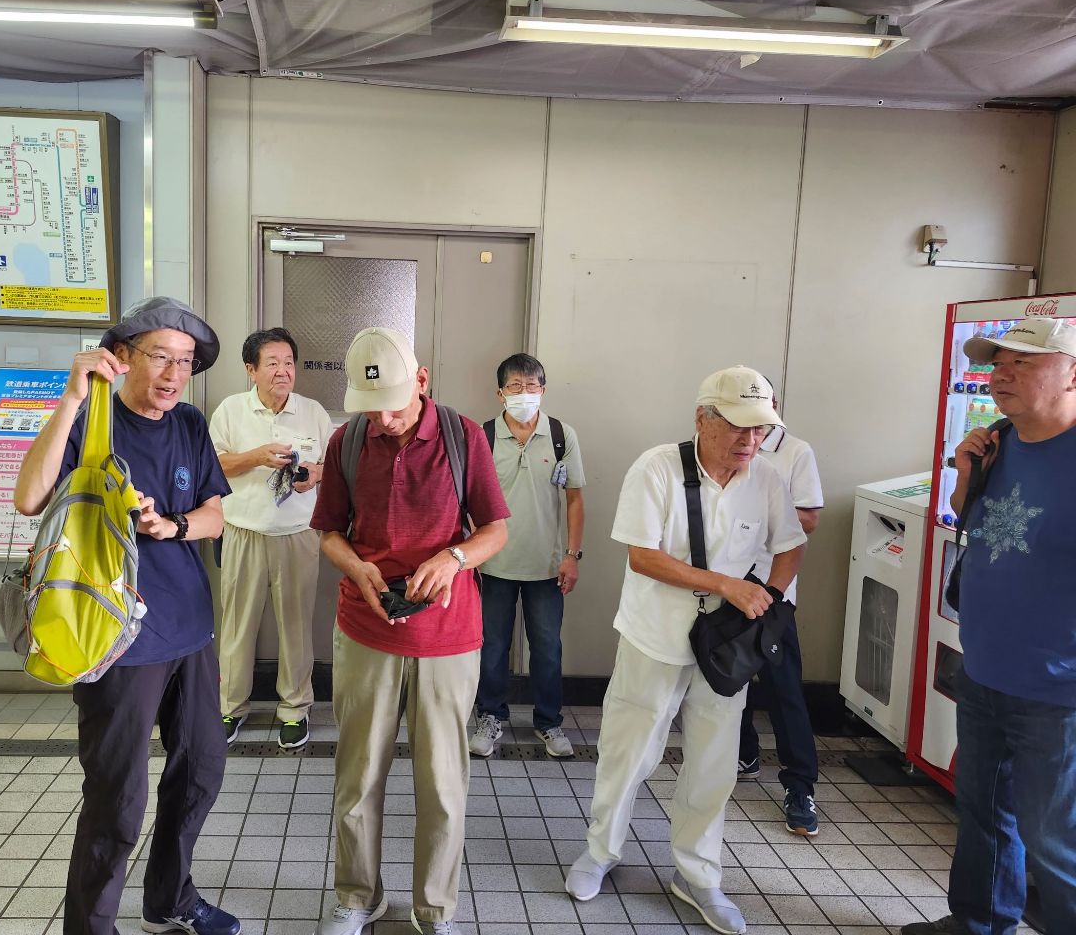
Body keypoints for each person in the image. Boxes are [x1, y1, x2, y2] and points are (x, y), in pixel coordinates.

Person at [14, 297, 238, 935]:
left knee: (200, 770)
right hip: (113, 638)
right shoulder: (92, 418)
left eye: (186, 362)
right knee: (118, 795)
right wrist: (71, 397)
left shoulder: (189, 424)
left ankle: (169, 899)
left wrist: (173, 526)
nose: (174, 374)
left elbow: (216, 515)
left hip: (189, 629)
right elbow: (29, 497)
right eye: (161, 357)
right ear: (122, 356)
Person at [565, 365, 806, 935]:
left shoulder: (767, 477)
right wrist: (728, 586)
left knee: (715, 762)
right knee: (628, 752)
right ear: (703, 418)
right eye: (739, 426)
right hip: (654, 636)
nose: (751, 440)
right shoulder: (656, 468)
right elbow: (642, 555)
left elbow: (790, 545)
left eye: (760, 429)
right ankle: (600, 852)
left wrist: (768, 600)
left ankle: (698, 874)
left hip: (726, 651)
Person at [310, 327, 509, 935]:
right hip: (365, 628)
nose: (385, 419)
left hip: (448, 636)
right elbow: (329, 532)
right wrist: (357, 567)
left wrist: (454, 558)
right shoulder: (348, 441)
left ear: (422, 381)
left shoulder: (463, 436)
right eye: (372, 408)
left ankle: (435, 909)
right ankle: (356, 897)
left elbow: (495, 529)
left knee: (443, 783)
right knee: (357, 776)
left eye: (394, 405)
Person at [901, 317, 1076, 935]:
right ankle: (977, 924)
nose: (1002, 373)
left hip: (1058, 690)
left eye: (1023, 362)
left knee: (1055, 839)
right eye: (998, 362)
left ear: (1073, 375)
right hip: (984, 667)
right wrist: (964, 477)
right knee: (983, 813)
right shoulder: (997, 440)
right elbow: (974, 521)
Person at [209, 327, 332, 749]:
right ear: (251, 370)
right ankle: (230, 706)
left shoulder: (313, 411)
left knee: (297, 626)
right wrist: (257, 456)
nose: (283, 371)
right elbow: (214, 465)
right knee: (236, 625)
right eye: (273, 363)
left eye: (289, 362)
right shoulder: (230, 410)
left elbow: (331, 467)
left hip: (298, 534)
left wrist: (314, 474)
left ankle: (295, 709)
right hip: (241, 531)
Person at [470, 352, 586, 759]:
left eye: (531, 385)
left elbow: (575, 499)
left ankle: (549, 722)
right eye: (515, 386)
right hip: (493, 564)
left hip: (547, 566)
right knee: (492, 646)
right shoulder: (483, 436)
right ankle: (490, 716)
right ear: (500, 393)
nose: (524, 393)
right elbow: (469, 499)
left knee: (548, 648)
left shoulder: (561, 435)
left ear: (543, 390)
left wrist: (572, 555)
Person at [738, 387, 824, 837]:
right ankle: (745, 753)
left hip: (774, 586)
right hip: (727, 583)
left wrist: (760, 511)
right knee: (727, 674)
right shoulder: (723, 445)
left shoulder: (795, 451)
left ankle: (800, 785)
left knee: (783, 686)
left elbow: (809, 518)